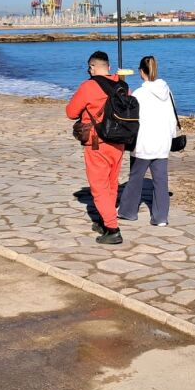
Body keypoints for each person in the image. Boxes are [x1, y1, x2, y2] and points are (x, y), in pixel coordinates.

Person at [66, 51, 125, 245]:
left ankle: (112, 228)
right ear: (108, 66)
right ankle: (103, 220)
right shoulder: (122, 85)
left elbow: (71, 112)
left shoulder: (89, 86)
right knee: (112, 184)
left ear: (92, 67)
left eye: (90, 67)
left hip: (96, 142)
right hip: (118, 141)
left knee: (99, 187)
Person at [118, 55, 178, 226]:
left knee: (136, 177)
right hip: (162, 142)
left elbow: (130, 118)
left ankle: (128, 211)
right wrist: (171, 136)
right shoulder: (167, 91)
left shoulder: (139, 94)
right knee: (161, 180)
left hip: (144, 142)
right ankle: (160, 217)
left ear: (140, 72)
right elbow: (172, 117)